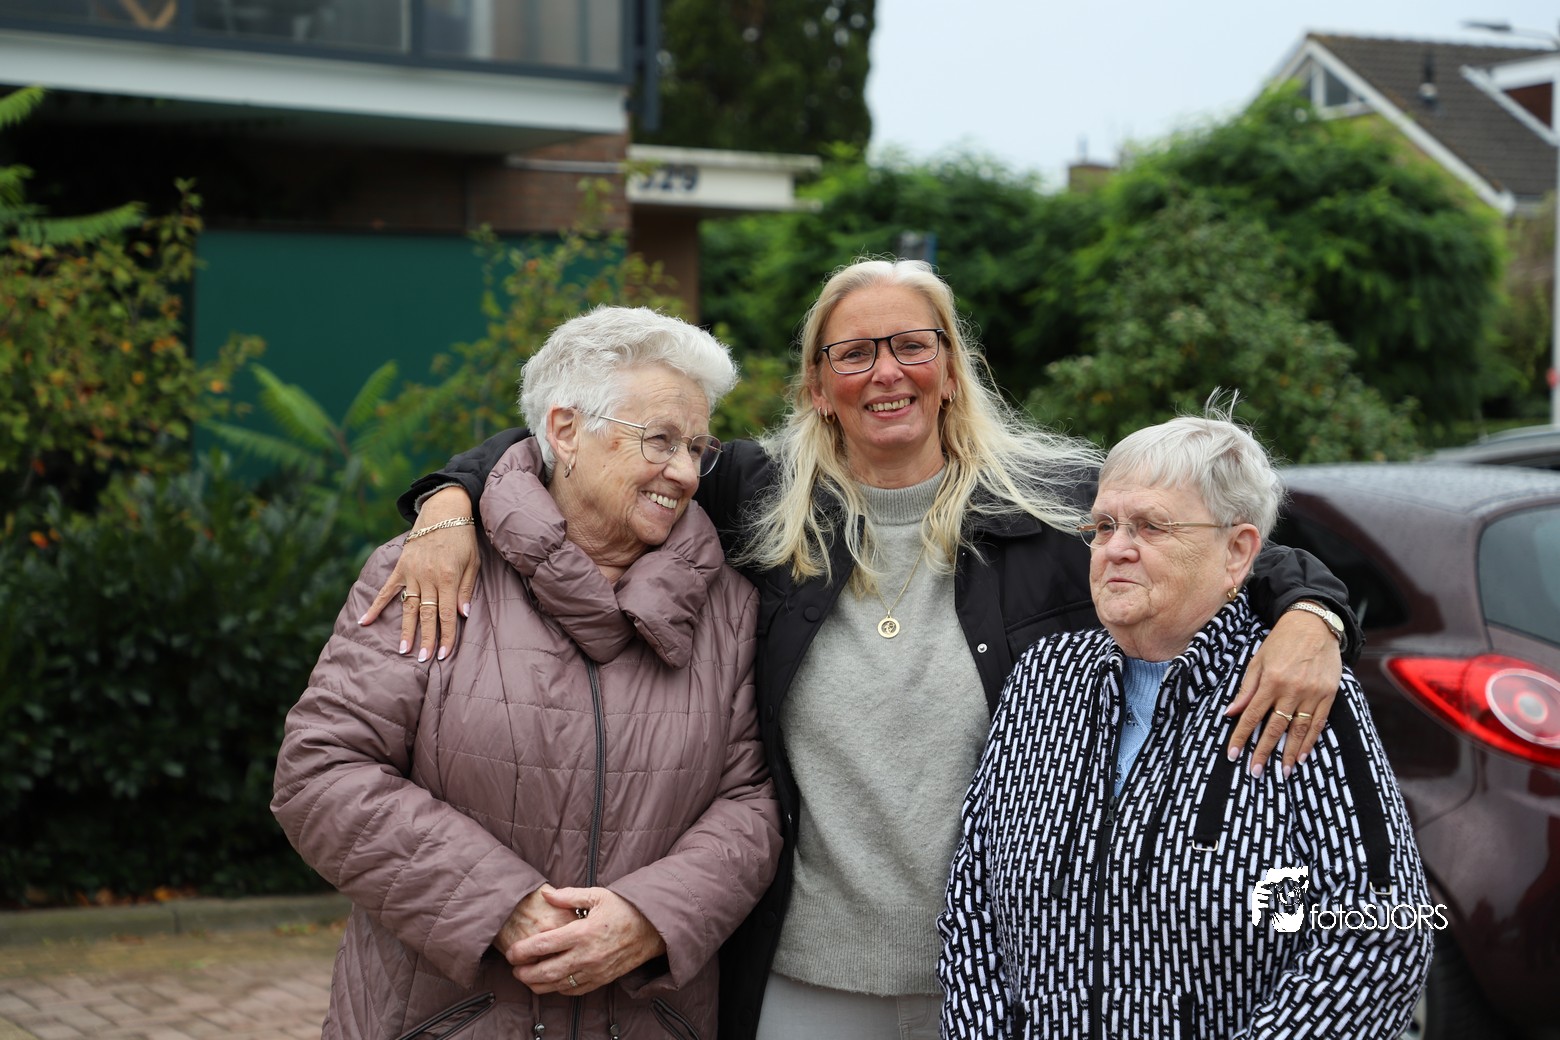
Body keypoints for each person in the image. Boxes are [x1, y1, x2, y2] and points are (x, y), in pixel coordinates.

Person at [367, 260, 1360, 1039]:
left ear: (951, 367)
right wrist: (448, 503)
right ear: (817, 385)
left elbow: (1229, 544)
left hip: (1002, 979)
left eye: (911, 345)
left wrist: (1312, 614)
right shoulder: (752, 494)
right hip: (805, 974)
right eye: (853, 353)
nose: (886, 371)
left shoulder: (1054, 503)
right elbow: (563, 447)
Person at [271, 306, 782, 1040]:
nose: (684, 472)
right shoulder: (431, 573)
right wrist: (499, 905)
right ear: (566, 431)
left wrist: (653, 916)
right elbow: (322, 771)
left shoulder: (728, 606)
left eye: (698, 447)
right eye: (661, 440)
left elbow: (753, 800)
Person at [938, 405, 1431, 1038]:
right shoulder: (1043, 679)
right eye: (1104, 526)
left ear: (1237, 551)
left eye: (1151, 526)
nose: (1116, 548)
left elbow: (1382, 932)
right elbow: (971, 901)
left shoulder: (1299, 693)